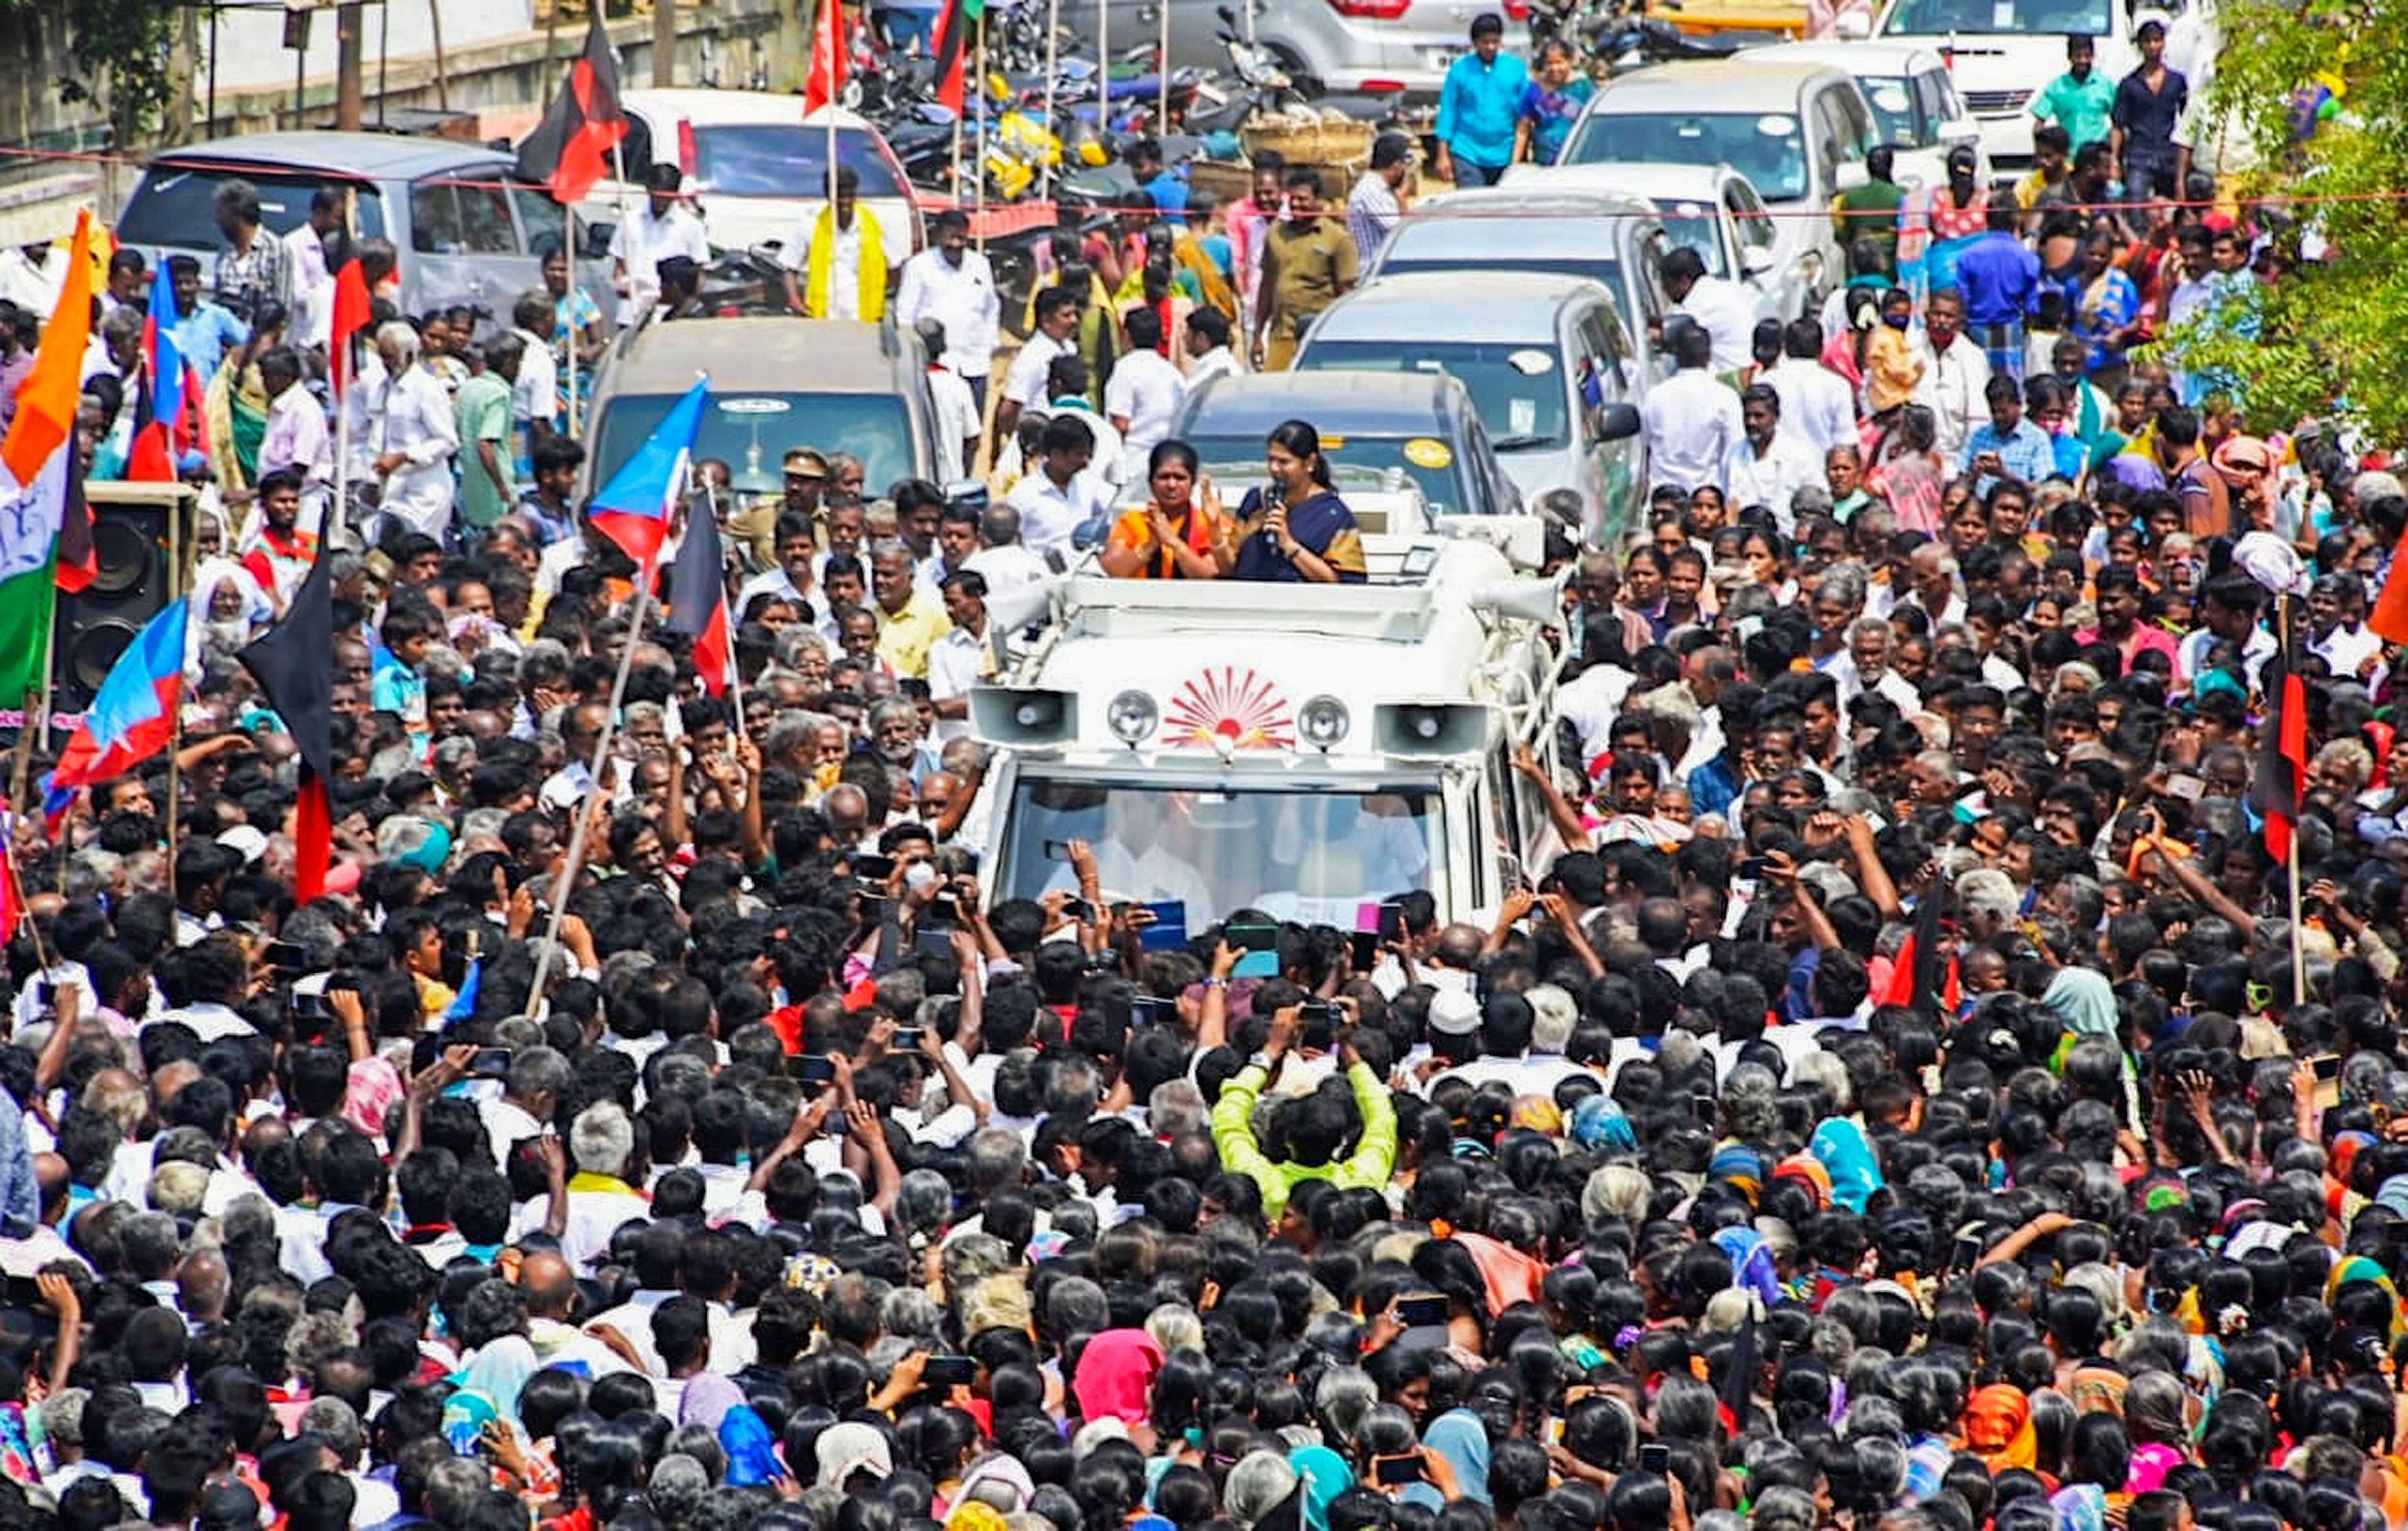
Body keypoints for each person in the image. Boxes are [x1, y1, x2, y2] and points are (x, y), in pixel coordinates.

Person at [1227, 419, 1365, 584]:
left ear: (1310, 463)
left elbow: (1342, 583)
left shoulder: (1333, 515)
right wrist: (1221, 533)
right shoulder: (1255, 500)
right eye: (1271, 460)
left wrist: (1289, 545)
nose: (1274, 468)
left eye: (1284, 462)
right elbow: (1228, 567)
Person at [1253, 169, 1357, 372]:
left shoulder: (1338, 239)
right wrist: (1257, 334)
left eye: (1303, 199)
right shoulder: (1276, 234)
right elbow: (1267, 286)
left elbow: (1347, 294)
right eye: (1292, 199)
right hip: (1281, 336)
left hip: (1318, 338)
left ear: (1319, 200)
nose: (1296, 205)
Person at [896, 210, 1001, 409]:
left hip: (974, 364)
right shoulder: (919, 267)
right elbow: (905, 316)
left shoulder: (980, 265)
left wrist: (989, 345)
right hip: (936, 367)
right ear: (938, 236)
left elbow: (992, 308)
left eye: (961, 238)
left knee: (972, 430)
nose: (956, 244)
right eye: (951, 237)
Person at [1102, 439, 1231, 580]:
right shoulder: (1131, 521)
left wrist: (1174, 543)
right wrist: (1151, 546)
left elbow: (1212, 575)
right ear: (1151, 482)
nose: (1172, 485)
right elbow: (1112, 570)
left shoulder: (1211, 524)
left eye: (1180, 478)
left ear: (1193, 482)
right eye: (1164, 477)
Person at [1641, 322, 1742, 497]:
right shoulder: (1725, 397)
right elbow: (1733, 453)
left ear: (1676, 356)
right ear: (1709, 355)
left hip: (1663, 498)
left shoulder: (1655, 396)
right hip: (1706, 502)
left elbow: (1646, 447)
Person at [608, 162, 710, 327]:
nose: (662, 202)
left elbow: (700, 273)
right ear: (649, 190)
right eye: (657, 196)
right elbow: (619, 266)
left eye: (667, 198)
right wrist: (624, 286)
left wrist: (687, 308)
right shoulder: (630, 221)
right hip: (632, 314)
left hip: (672, 317)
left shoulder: (691, 226)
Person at [1433, 13, 1528, 187]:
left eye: (1495, 42)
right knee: (1472, 208)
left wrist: (1517, 159)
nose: (1491, 47)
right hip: (1468, 152)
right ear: (1475, 43)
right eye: (1485, 42)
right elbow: (1449, 111)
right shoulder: (1460, 70)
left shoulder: (1515, 69)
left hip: (1505, 154)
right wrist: (1443, 154)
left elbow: (1524, 117)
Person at [785, 166, 889, 322]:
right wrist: (795, 300)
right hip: (824, 316)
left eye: (850, 196)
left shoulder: (874, 224)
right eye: (840, 197)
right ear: (829, 195)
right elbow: (790, 267)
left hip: (864, 317)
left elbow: (894, 267)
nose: (846, 203)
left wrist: (881, 298)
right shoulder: (811, 223)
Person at [1104, 307, 1187, 485]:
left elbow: (1120, 423)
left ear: (1126, 335)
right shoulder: (1174, 374)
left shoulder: (1125, 369)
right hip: (1166, 463)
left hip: (1132, 466)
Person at [2112, 18, 2188, 204]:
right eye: (2148, 41)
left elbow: (2188, 121)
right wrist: (2114, 159)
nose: (2153, 46)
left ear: (2163, 43)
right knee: (2136, 205)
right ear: (2140, 45)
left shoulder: (2177, 81)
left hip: (2169, 153)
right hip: (2139, 155)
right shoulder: (2129, 84)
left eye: (2157, 41)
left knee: (2174, 208)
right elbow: (2118, 125)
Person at [1658, 246, 1755, 376]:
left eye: (1667, 285)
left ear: (1684, 282)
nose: (1665, 290)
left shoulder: (1699, 301)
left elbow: (1666, 335)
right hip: (1748, 369)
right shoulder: (1720, 288)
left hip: (1737, 379)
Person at [211, 177, 292, 326]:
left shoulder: (276, 249)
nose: (218, 221)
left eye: (221, 214)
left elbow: (284, 311)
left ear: (236, 215)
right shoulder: (225, 252)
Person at [2030, 33, 2116, 157]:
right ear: (2069, 57)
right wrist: (2043, 154)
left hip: (2097, 159)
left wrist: (2113, 155)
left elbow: (2119, 124)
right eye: (2078, 56)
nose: (2083, 61)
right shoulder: (2057, 87)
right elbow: (2039, 124)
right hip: (2067, 159)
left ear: (2093, 56)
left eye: (2087, 56)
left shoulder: (2105, 86)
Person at [1514, 38, 1593, 167]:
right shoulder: (1534, 91)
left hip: (1578, 160)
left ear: (1570, 62)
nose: (1554, 68)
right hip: (1544, 162)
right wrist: (1514, 164)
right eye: (1549, 63)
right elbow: (1523, 130)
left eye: (1559, 63)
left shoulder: (1584, 89)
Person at [1831, 145, 1906, 276]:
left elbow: (1840, 231)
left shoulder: (1849, 198)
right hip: (1893, 265)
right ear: (1890, 166)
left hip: (1857, 264)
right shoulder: (1902, 196)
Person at [1346, 134, 1415, 268]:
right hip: (1374, 270)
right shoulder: (1371, 190)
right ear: (1396, 165)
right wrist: (1402, 199)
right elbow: (1401, 233)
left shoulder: (1381, 190)